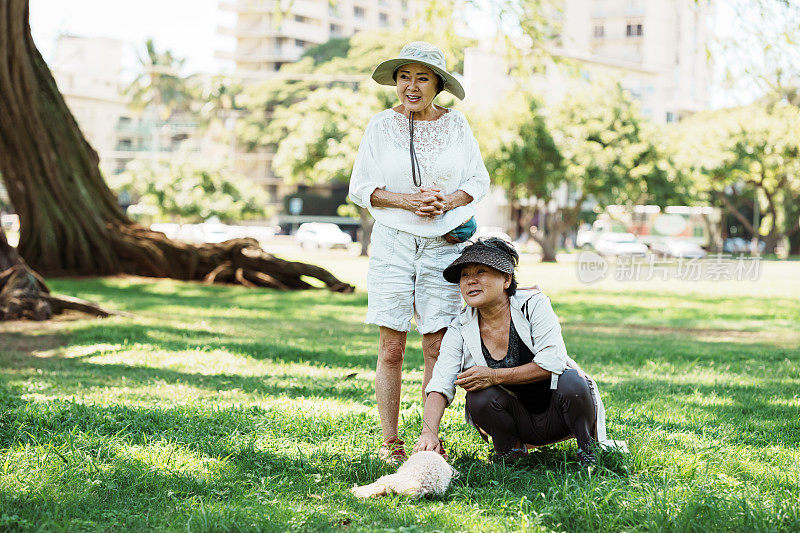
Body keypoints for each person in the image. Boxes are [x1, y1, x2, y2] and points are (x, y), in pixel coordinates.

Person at [349, 41, 490, 463]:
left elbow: (478, 181)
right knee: (391, 346)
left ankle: (430, 436)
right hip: (393, 242)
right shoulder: (379, 126)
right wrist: (406, 201)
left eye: (422, 77)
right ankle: (390, 440)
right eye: (404, 76)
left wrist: (448, 201)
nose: (411, 86)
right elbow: (360, 188)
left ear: (438, 85)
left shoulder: (457, 125)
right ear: (396, 81)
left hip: (443, 247)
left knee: (436, 346)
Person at [414, 238, 622, 465]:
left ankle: (588, 450)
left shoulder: (533, 304)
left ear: (506, 279)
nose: (470, 280)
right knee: (478, 397)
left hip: (559, 414)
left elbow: (552, 361)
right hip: (519, 420)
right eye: (464, 274)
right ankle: (509, 453)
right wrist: (429, 434)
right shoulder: (460, 327)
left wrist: (493, 376)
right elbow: (440, 383)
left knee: (572, 381)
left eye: (481, 271)